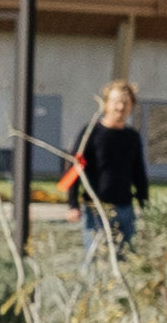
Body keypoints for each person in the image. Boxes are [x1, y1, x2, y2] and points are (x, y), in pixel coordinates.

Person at [58, 82, 154, 264]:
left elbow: (139, 174)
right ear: (106, 104)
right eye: (116, 102)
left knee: (125, 261)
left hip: (126, 210)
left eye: (126, 102)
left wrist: (146, 207)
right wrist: (72, 205)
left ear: (131, 106)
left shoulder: (132, 137)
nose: (121, 107)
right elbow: (74, 170)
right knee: (94, 261)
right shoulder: (91, 132)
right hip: (96, 210)